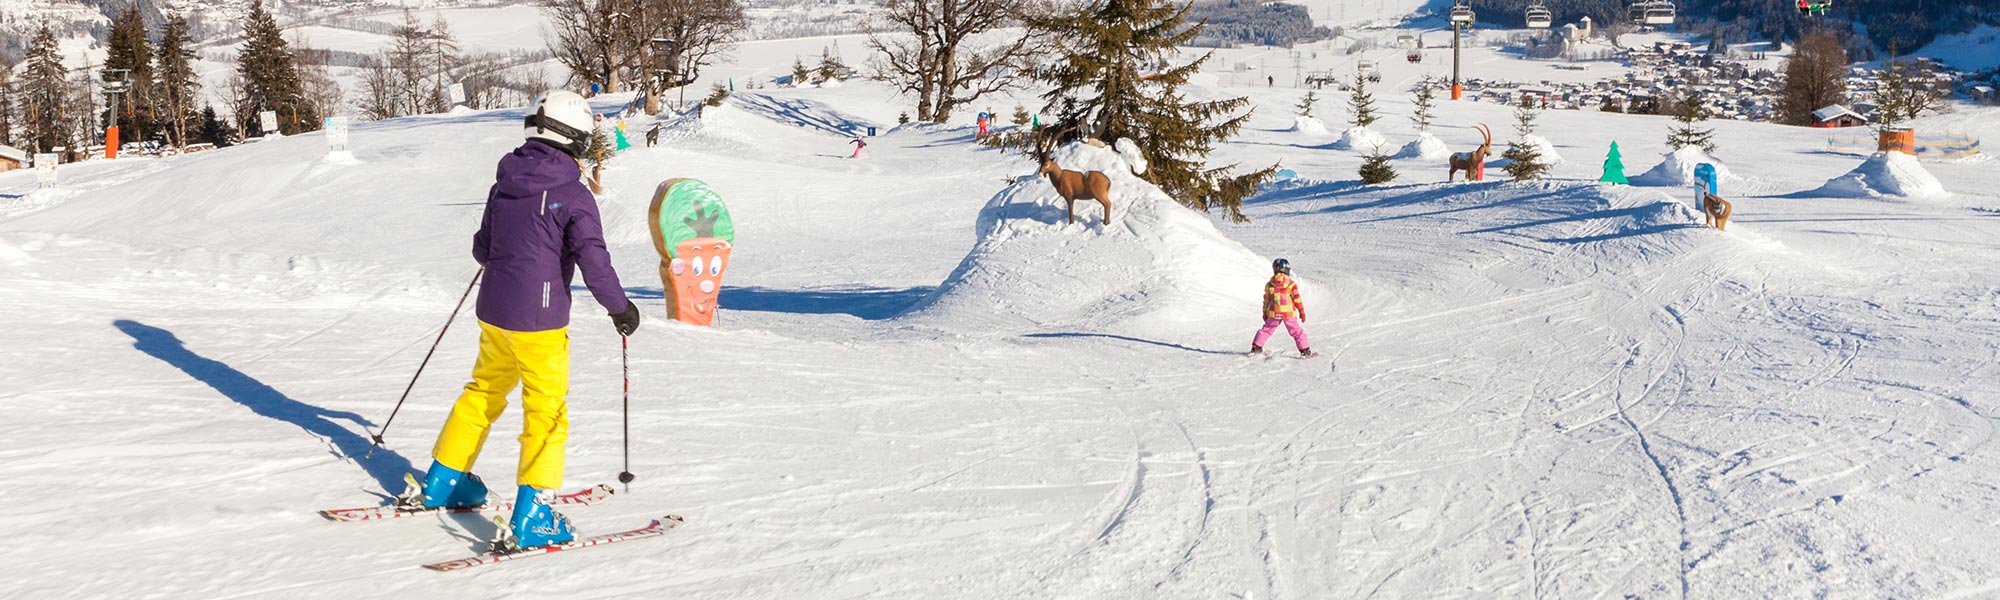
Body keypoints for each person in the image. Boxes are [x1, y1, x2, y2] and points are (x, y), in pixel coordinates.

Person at [398, 90, 642, 550]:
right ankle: (534, 515)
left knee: (484, 391)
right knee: (546, 410)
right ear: (575, 140)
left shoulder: (504, 183)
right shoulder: (573, 194)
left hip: (494, 313)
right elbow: (594, 260)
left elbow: (482, 249)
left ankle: (444, 481)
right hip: (540, 322)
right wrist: (620, 309)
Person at [1250, 258, 1315, 358]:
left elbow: (1266, 300)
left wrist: (1265, 312)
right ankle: (1305, 351)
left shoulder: (1270, 284)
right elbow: (1297, 299)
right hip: (1288, 313)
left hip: (1274, 313)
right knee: (1296, 331)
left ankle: (1256, 348)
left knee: (1266, 329)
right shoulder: (1291, 284)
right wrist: (1301, 311)